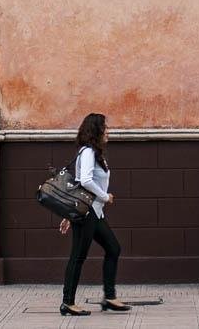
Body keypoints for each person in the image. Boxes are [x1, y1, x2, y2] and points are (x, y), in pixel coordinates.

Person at [57, 113, 129, 316]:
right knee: (78, 257)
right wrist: (105, 196)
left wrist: (70, 214)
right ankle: (68, 303)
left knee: (113, 248)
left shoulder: (94, 153)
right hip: (88, 212)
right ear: (96, 131)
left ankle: (109, 297)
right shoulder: (88, 152)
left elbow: (80, 182)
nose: (108, 132)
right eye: (105, 128)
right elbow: (86, 181)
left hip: (94, 213)